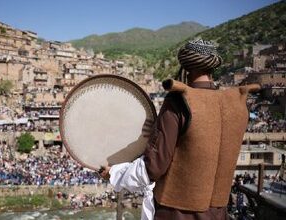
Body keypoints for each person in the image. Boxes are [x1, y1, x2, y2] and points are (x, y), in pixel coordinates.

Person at [100, 39, 260, 220]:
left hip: (176, 214)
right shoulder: (235, 105)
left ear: (185, 68)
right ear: (212, 68)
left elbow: (153, 168)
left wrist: (115, 174)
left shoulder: (179, 101)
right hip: (218, 213)